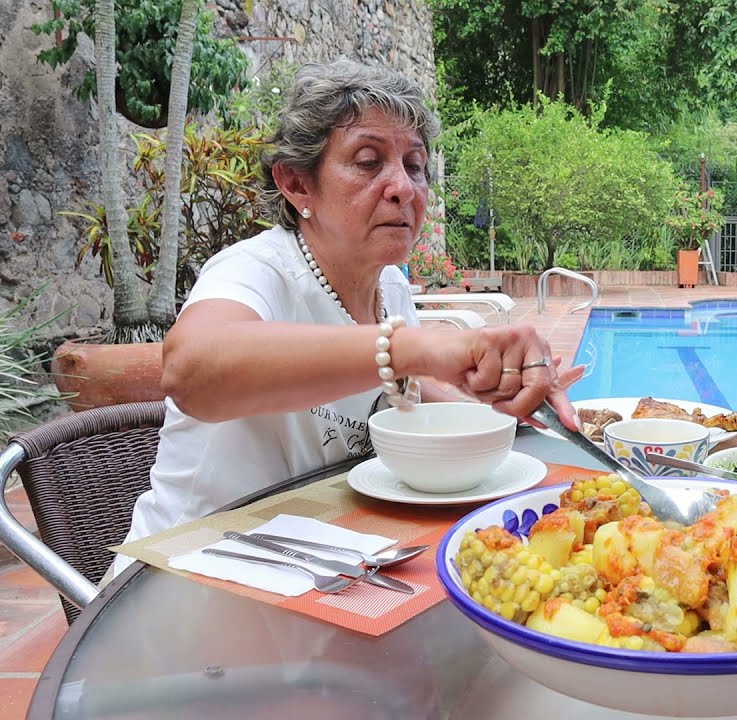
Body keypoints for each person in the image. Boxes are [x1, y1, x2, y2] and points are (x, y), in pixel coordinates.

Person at [113, 61, 579, 576]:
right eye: (367, 161)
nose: (403, 187)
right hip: (195, 573)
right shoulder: (257, 269)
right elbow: (191, 372)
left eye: (415, 165)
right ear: (296, 184)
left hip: (322, 563)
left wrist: (500, 391)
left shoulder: (389, 285)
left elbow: (413, 393)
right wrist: (416, 348)